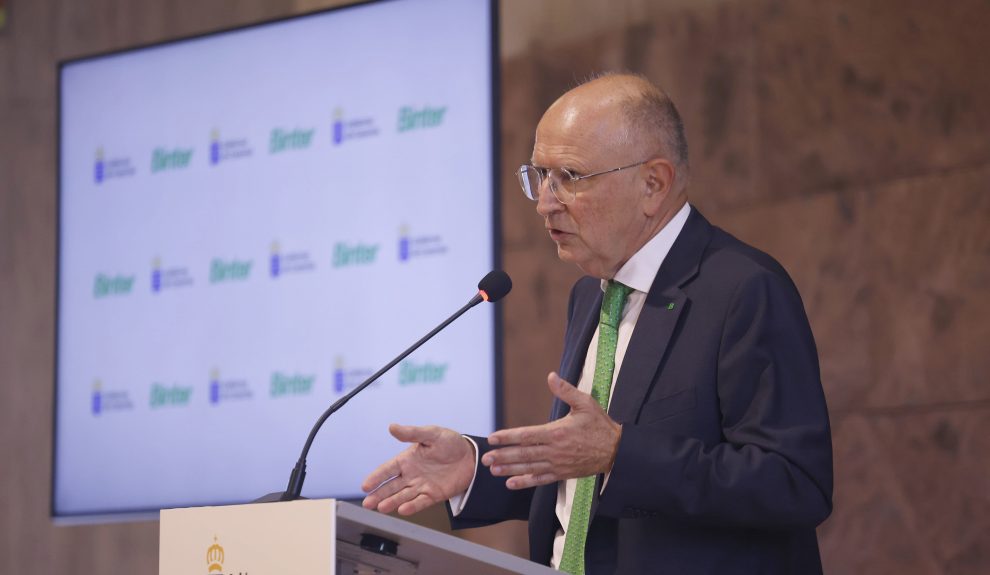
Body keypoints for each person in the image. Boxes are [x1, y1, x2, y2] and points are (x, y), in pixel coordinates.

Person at [361, 73, 833, 574]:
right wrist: (476, 467)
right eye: (539, 176)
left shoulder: (743, 289)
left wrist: (620, 454)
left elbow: (795, 482)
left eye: (570, 177)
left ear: (653, 184)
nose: (545, 202)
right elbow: (582, 474)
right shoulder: (591, 294)